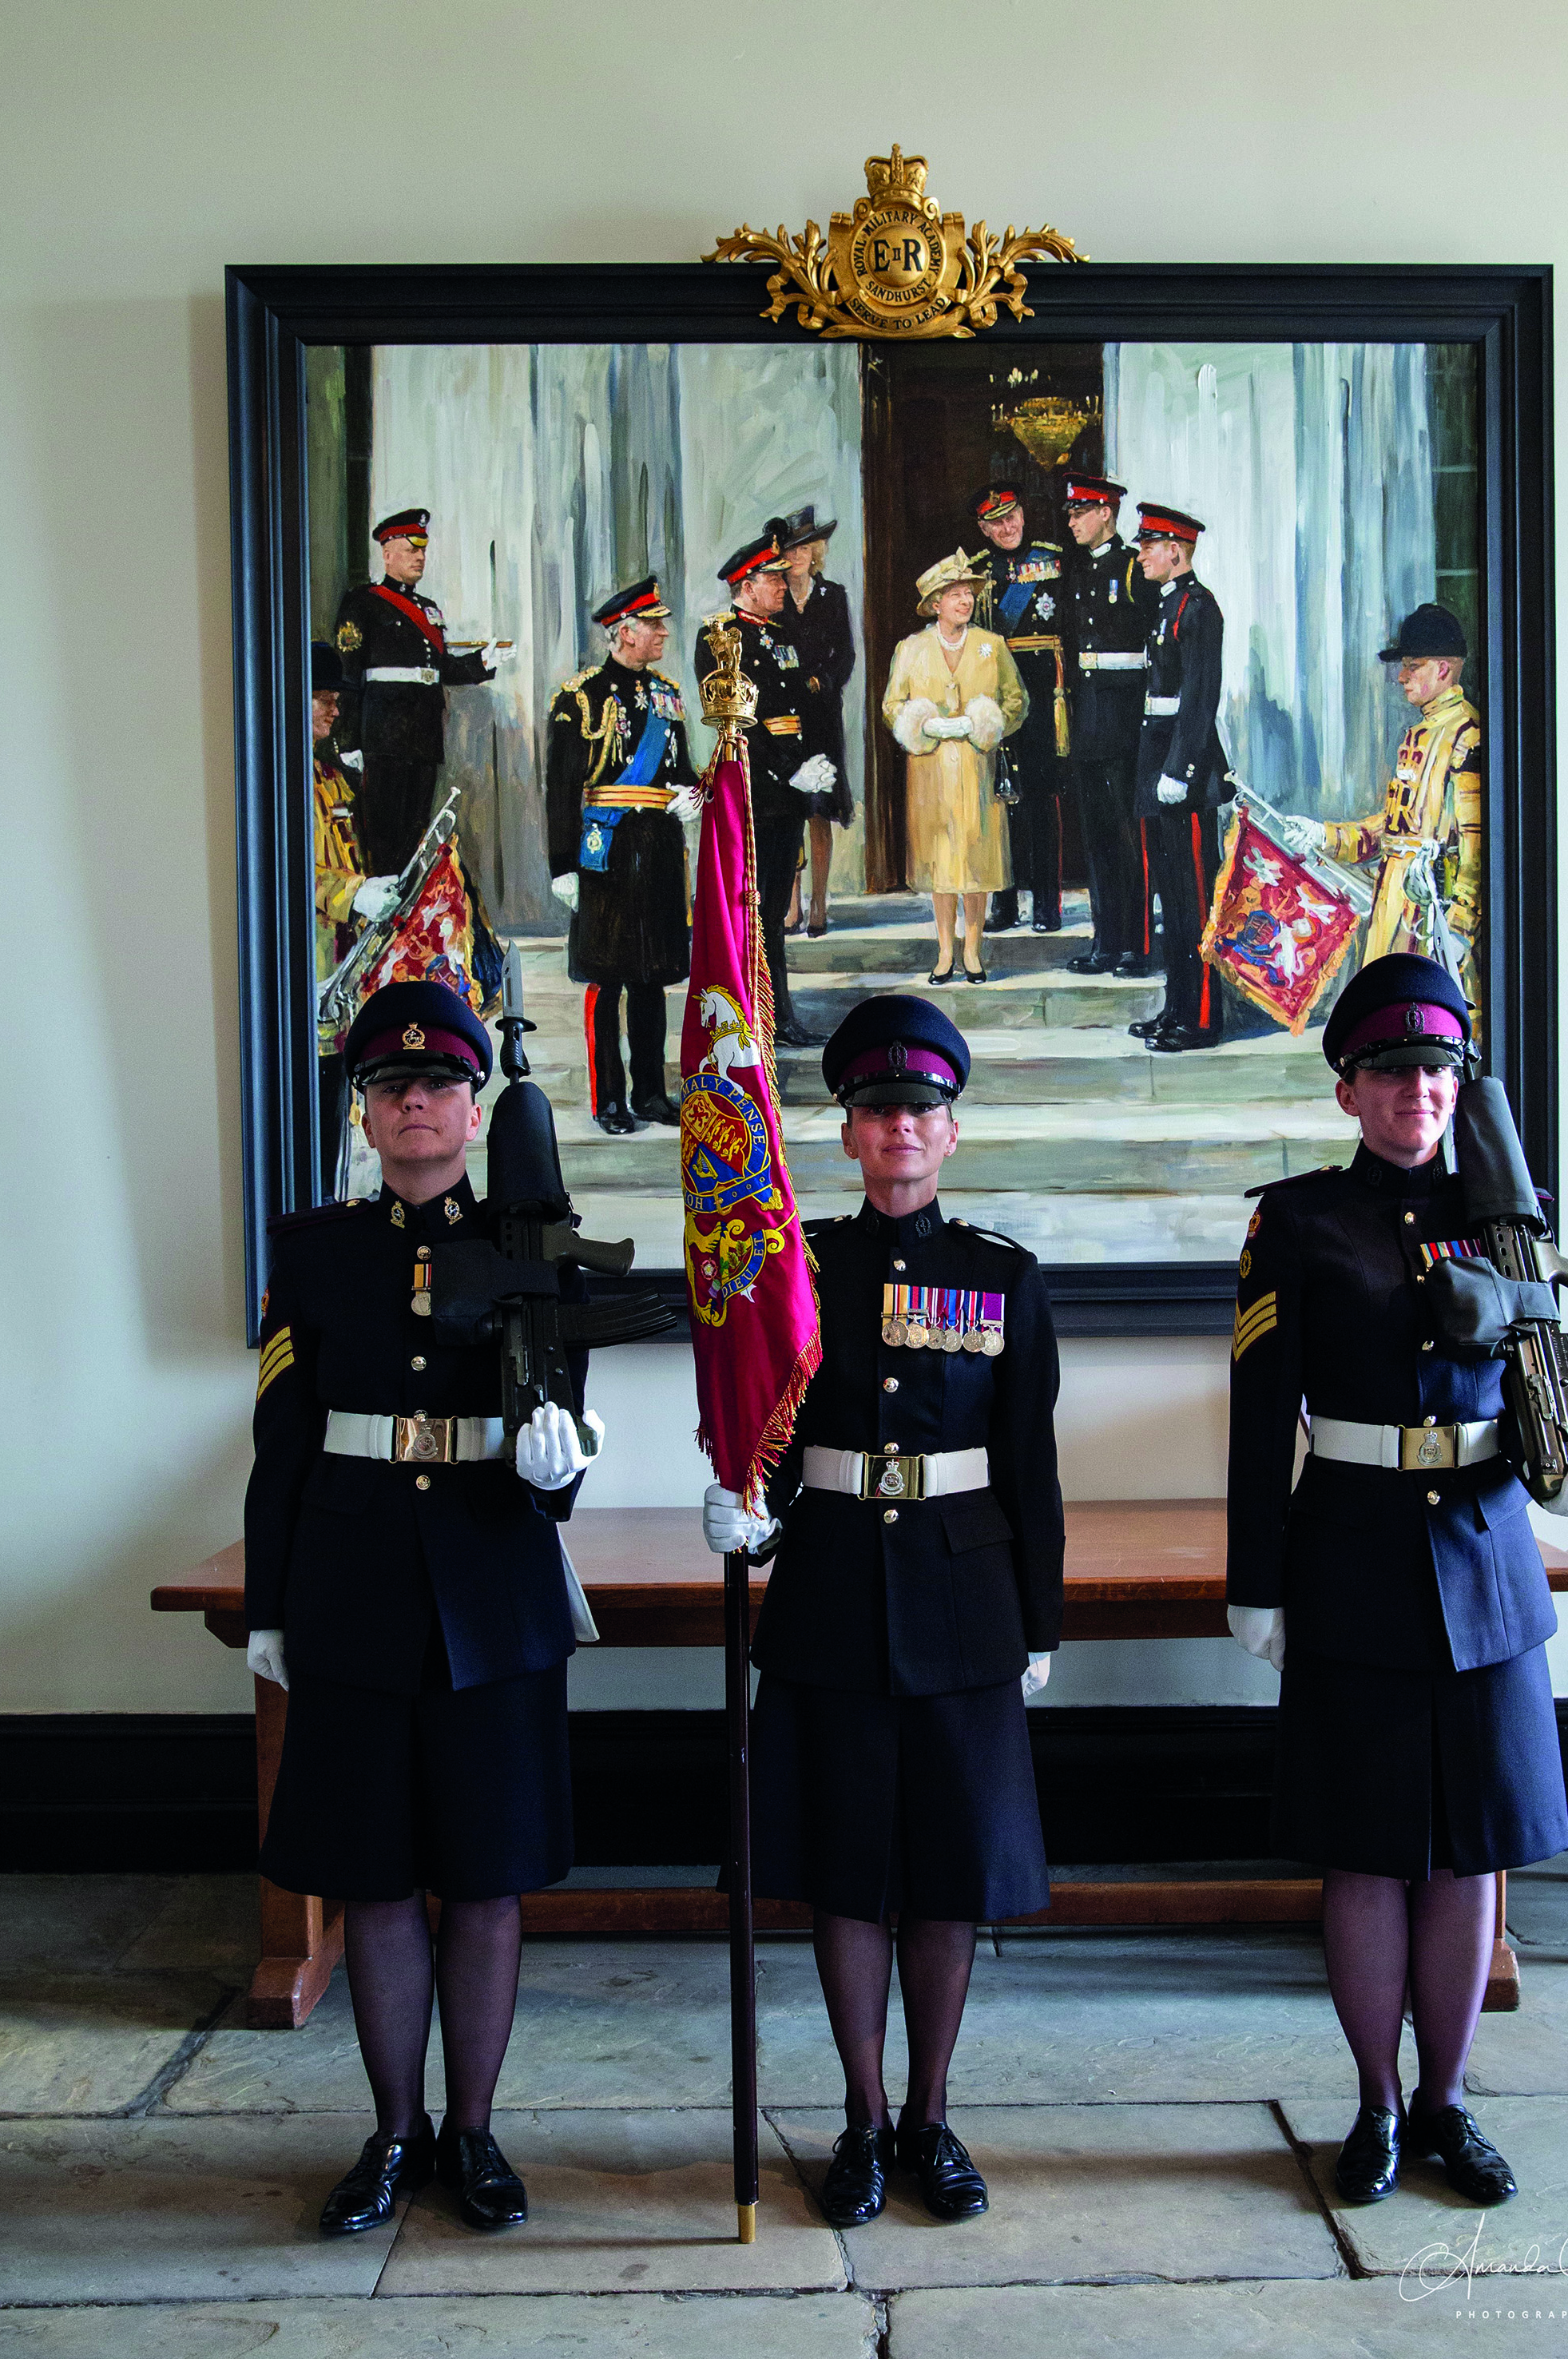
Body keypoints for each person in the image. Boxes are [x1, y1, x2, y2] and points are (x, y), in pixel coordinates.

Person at [244, 979, 602, 2239]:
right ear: (366, 1110)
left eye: (440, 1085)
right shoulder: (317, 1251)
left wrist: (563, 1468)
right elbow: (282, 1441)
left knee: (487, 1880)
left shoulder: (533, 1232)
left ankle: (475, 2132)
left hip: (491, 1582)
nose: (416, 1104)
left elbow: (562, 1409)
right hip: (350, 1589)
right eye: (392, 1087)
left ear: (470, 1104)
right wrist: (272, 1601)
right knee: (377, 1882)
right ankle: (394, 2134)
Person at [702, 994, 1062, 2229]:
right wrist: (740, 1498)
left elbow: (1030, 1462)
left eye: (920, 1109)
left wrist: (1042, 1623)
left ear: (950, 1130)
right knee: (848, 1872)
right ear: (846, 1133)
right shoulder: (794, 1269)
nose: (899, 1127)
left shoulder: (1002, 1278)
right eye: (875, 1110)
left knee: (947, 1874)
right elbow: (760, 1426)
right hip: (833, 1590)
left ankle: (930, 2116)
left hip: (965, 1597)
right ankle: (858, 2120)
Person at [1225, 952, 1568, 2211]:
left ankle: (1447, 2101)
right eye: (1389, 1072)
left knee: (1470, 1853)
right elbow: (1262, 1414)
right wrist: (1254, 1578)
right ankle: (1374, 2104)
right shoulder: (1297, 1222)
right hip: (1354, 1553)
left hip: (1483, 1556)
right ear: (1346, 1091)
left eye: (1434, 1069)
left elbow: (1541, 1368)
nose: (1416, 1092)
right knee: (1366, 1855)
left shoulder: (1506, 1209)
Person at [547, 577, 701, 1136]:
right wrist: (562, 865)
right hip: (605, 847)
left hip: (658, 847)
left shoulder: (667, 693)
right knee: (606, 979)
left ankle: (652, 1093)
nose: (663, 632)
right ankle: (609, 1100)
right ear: (623, 632)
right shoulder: (580, 696)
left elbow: (681, 771)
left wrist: (692, 795)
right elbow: (562, 788)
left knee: (651, 978)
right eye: (653, 624)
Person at [1280, 602, 1483, 1015]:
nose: (1402, 677)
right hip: (1394, 911)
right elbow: (1392, 829)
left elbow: (1477, 845)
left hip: (1431, 916)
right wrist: (1323, 835)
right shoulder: (1421, 733)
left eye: (1413, 666)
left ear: (1443, 670)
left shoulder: (1466, 736)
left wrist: (1460, 926)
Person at [693, 530, 836, 1048]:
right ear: (746, 584)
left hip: (789, 787)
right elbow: (736, 721)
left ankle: (780, 1017)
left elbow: (801, 707)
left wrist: (812, 762)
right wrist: (785, 769)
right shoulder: (719, 637)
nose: (783, 584)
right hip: (753, 787)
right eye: (773, 577)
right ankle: (749, 1018)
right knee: (750, 911)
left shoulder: (779, 634)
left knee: (774, 910)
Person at [334, 508, 514, 876]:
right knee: (383, 838)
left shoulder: (428, 610)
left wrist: (482, 661)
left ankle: (409, 926)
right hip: (382, 737)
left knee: (416, 837)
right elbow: (349, 675)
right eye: (411, 549)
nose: (420, 557)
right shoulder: (363, 603)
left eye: (423, 551)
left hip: (424, 737)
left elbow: (441, 669)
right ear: (387, 554)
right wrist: (349, 740)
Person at [882, 551, 1026, 985]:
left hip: (977, 768)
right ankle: (945, 952)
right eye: (955, 595)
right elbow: (892, 705)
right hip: (929, 773)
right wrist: (922, 723)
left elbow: (1016, 701)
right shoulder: (910, 649)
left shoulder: (991, 645)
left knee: (976, 862)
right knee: (940, 865)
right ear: (935, 604)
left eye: (968, 594)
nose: (965, 601)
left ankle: (974, 951)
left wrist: (983, 722)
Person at [1129, 503, 1233, 1054]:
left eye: (1149, 546)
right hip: (1159, 767)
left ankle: (1200, 1019)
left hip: (1184, 775)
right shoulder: (1166, 604)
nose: (1141, 554)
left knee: (1193, 903)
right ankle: (1175, 1006)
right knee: (1171, 900)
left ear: (1177, 550)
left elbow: (1200, 696)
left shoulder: (1199, 608)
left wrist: (1180, 769)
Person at [309, 640, 399, 1192]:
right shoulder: (276, 779)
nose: (334, 708)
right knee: (312, 1125)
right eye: (322, 698)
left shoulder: (332, 776)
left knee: (335, 1117)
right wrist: (353, 893)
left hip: (341, 975)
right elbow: (290, 871)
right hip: (309, 967)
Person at [1060, 472, 1155, 978]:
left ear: (1106, 514)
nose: (1072, 521)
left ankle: (1135, 945)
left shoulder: (1134, 568)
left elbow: (1152, 650)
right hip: (1089, 723)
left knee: (1129, 836)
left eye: (1081, 513)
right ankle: (1106, 940)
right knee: (1097, 837)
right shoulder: (1078, 571)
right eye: (1070, 514)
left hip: (1125, 724)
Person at [970, 486, 1066, 935]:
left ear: (1024, 517)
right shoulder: (976, 572)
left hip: (1045, 697)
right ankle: (1005, 903)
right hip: (999, 698)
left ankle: (1047, 904)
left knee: (1043, 802)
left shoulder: (1053, 559)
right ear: (984, 529)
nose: (1007, 528)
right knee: (1001, 803)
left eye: (1012, 518)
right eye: (996, 522)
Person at [774, 506, 856, 939]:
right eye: (790, 550)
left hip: (822, 714)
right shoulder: (773, 598)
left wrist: (822, 681)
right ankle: (791, 903)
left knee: (820, 812)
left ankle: (820, 902)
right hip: (786, 718)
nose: (798, 557)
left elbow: (846, 655)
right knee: (789, 810)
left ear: (816, 551)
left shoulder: (834, 595)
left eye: (805, 548)